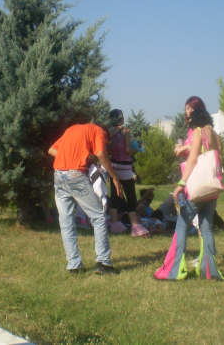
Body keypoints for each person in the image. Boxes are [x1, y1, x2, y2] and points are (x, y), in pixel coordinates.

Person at [154, 96, 224, 280]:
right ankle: (209, 270)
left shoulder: (198, 132)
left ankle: (174, 269)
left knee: (182, 225)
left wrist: (181, 184)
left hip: (195, 188)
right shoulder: (214, 134)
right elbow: (219, 159)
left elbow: (193, 160)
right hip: (211, 189)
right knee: (206, 228)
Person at [48, 122, 124, 275]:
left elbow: (52, 150)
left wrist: (75, 157)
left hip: (59, 175)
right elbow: (101, 153)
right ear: (106, 134)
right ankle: (103, 263)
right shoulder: (99, 131)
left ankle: (74, 266)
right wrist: (115, 177)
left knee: (66, 221)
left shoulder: (72, 129)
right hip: (76, 176)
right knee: (98, 217)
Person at [106, 109, 150, 237]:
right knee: (131, 197)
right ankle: (135, 226)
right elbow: (128, 149)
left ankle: (115, 224)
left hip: (113, 167)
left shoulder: (109, 132)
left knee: (115, 196)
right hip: (125, 168)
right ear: (121, 118)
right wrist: (137, 149)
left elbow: (108, 148)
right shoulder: (125, 130)